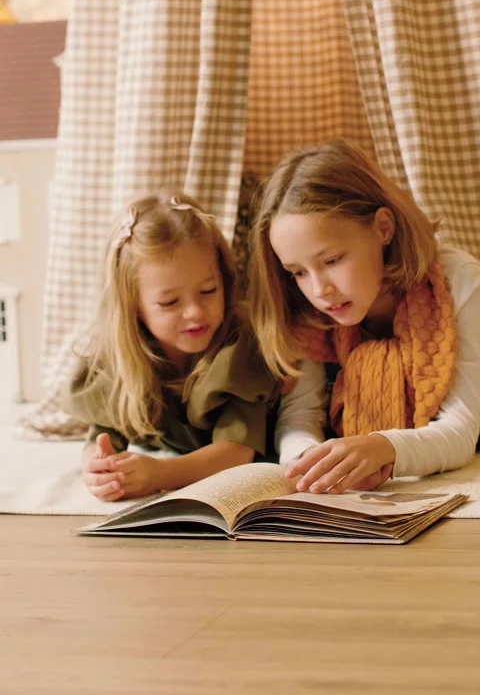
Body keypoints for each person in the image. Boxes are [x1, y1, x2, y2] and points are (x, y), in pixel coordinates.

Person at [250, 139, 480, 494]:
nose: (319, 289)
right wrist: (310, 460)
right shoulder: (309, 311)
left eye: (332, 261)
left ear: (383, 228)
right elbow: (299, 416)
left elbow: (462, 430)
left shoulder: (461, 283)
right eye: (297, 272)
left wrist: (382, 448)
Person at [61, 192, 295, 502]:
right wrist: (98, 465)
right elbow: (104, 433)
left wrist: (160, 475)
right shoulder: (120, 357)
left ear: (223, 280)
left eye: (208, 291)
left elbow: (236, 453)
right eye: (170, 302)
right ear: (133, 306)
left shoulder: (239, 348)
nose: (195, 312)